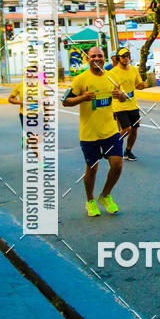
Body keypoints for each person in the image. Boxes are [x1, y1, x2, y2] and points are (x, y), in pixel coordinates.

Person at [62, 46, 127, 217]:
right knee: (92, 168)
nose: (97, 58)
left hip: (110, 130)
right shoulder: (80, 79)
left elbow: (123, 97)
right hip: (89, 133)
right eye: (93, 56)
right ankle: (90, 200)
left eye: (100, 56)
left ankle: (105, 195)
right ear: (87, 59)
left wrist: (121, 95)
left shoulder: (112, 77)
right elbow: (65, 101)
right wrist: (82, 98)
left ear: (105, 58)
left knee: (117, 164)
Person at [109, 47, 146, 161]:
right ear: (118, 58)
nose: (126, 58)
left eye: (128, 56)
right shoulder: (112, 73)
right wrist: (119, 94)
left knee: (134, 129)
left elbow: (138, 84)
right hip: (119, 106)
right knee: (127, 129)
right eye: (123, 56)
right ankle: (112, 146)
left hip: (132, 104)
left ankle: (128, 151)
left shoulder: (134, 70)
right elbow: (111, 91)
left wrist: (143, 85)